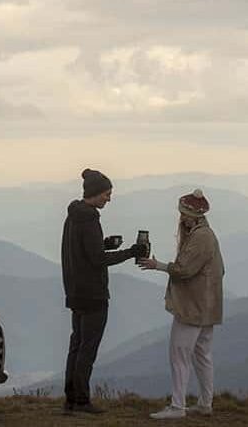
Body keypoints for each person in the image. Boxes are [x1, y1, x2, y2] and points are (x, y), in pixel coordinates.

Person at [61, 168, 148, 415]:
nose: (109, 199)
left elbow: (83, 252)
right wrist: (132, 251)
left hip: (75, 292)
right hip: (93, 295)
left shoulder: (74, 216)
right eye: (107, 194)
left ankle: (70, 400)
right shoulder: (89, 218)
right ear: (96, 193)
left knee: (76, 346)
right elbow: (98, 260)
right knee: (87, 349)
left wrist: (106, 244)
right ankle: (82, 400)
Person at [139, 189, 225, 420]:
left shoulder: (200, 237)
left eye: (184, 214)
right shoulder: (207, 236)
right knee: (202, 354)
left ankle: (178, 406)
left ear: (192, 216)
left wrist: (158, 265)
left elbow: (184, 269)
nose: (181, 218)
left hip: (193, 307)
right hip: (208, 306)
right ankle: (205, 403)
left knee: (179, 355)